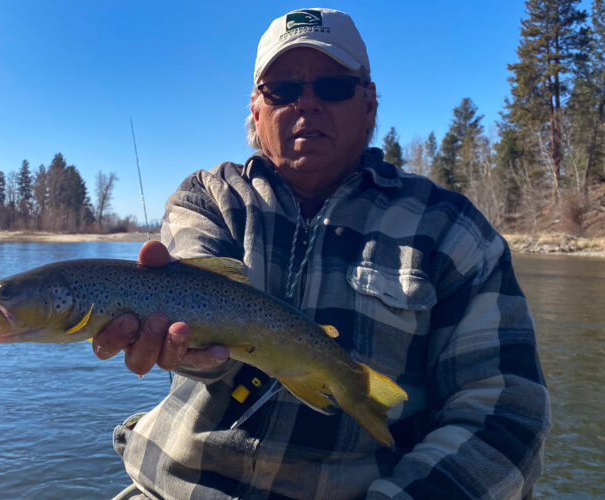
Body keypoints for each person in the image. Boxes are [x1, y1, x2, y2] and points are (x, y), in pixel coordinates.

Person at [95, 8, 550, 499]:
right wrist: (188, 351)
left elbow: (506, 415)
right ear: (256, 109)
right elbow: (198, 339)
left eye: (333, 86)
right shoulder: (207, 200)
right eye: (284, 90)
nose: (307, 104)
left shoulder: (452, 230)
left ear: (370, 104)